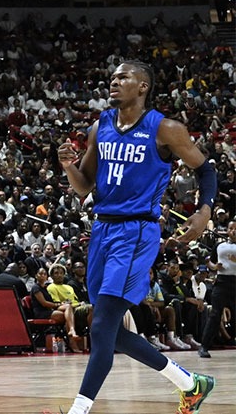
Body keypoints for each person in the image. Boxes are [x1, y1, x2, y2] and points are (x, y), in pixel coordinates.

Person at [52, 61, 217, 414]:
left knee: (101, 327)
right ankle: (191, 383)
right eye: (112, 76)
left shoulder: (166, 129)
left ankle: (78, 411)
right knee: (106, 328)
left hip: (136, 231)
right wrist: (68, 166)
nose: (114, 80)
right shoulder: (101, 127)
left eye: (123, 76)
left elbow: (206, 170)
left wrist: (203, 213)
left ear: (143, 87)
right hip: (101, 230)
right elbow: (86, 185)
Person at [197, 219, 235, 359]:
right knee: (215, 315)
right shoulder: (219, 246)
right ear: (227, 230)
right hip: (222, 282)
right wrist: (214, 267)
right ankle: (204, 346)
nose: (234, 231)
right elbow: (210, 263)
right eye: (231, 228)